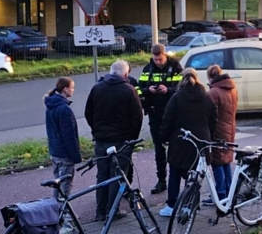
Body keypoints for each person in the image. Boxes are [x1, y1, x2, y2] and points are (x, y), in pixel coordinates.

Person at [85, 59, 143, 222]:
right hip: (121, 141)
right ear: (126, 74)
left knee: (102, 175)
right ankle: (113, 210)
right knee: (117, 175)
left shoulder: (97, 88)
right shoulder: (129, 90)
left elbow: (88, 113)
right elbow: (137, 118)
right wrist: (132, 138)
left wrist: (96, 131)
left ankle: (100, 211)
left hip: (101, 140)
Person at [156, 68, 216, 217]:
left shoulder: (176, 98)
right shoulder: (206, 97)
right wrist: (209, 138)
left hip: (181, 141)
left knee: (175, 173)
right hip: (201, 141)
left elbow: (167, 120)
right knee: (195, 176)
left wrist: (162, 138)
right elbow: (214, 120)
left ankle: (171, 205)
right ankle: (191, 206)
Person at [137, 44, 183, 195]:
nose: (157, 62)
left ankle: (179, 179)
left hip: (173, 115)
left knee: (176, 148)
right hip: (155, 114)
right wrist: (147, 90)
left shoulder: (176, 67)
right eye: (155, 59)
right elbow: (138, 89)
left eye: (160, 59)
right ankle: (161, 180)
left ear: (165, 55)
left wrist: (168, 90)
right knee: (159, 148)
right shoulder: (147, 69)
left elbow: (181, 88)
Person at [44, 77, 81, 199]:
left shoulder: (50, 106)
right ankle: (64, 214)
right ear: (65, 89)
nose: (73, 90)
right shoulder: (65, 109)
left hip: (55, 151)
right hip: (65, 154)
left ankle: (56, 210)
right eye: (72, 87)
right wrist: (76, 156)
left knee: (57, 184)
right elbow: (69, 136)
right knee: (65, 186)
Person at [206, 64, 238, 204]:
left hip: (218, 130)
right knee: (226, 160)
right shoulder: (232, 89)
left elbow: (210, 114)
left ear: (210, 77)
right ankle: (230, 190)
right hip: (230, 128)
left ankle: (220, 195)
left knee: (217, 162)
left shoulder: (214, 92)